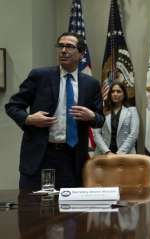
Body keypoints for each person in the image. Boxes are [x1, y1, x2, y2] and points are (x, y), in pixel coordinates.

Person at [5, 32, 104, 189]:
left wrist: (91, 116)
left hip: (72, 159)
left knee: (71, 212)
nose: (63, 50)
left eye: (69, 46)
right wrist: (29, 119)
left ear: (81, 53)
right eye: (61, 46)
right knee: (33, 209)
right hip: (40, 156)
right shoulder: (40, 76)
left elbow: (100, 119)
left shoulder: (91, 84)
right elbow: (12, 106)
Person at [93, 82, 139, 155]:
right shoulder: (102, 110)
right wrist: (107, 152)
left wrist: (119, 153)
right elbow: (96, 133)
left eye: (118, 91)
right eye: (112, 91)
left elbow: (133, 134)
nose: (115, 94)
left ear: (124, 94)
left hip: (126, 154)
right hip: (104, 154)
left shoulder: (132, 111)